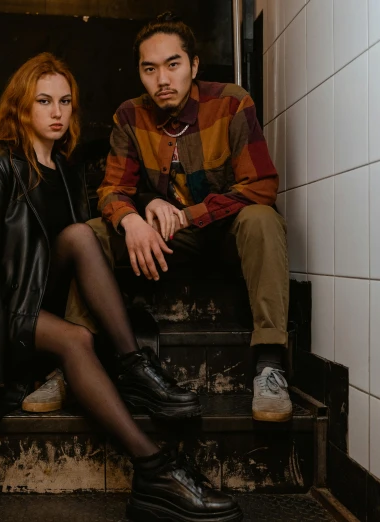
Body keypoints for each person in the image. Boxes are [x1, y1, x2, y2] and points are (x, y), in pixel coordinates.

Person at [0, 52, 243, 522]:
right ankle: (154, 466)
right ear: (22, 107)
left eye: (65, 101)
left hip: (38, 301)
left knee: (81, 234)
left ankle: (133, 367)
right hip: (0, 310)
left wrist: (145, 210)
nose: (56, 112)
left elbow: (69, 253)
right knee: (78, 338)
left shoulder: (66, 171)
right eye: (43, 101)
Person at [65, 12, 292, 423]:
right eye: (149, 69)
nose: (162, 79)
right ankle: (71, 356)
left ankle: (270, 365)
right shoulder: (129, 116)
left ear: (194, 66)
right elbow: (112, 189)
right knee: (93, 232)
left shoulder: (231, 102)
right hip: (161, 244)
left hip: (222, 237)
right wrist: (132, 220)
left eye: (173, 64)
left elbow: (260, 184)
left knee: (262, 218)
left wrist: (188, 216)